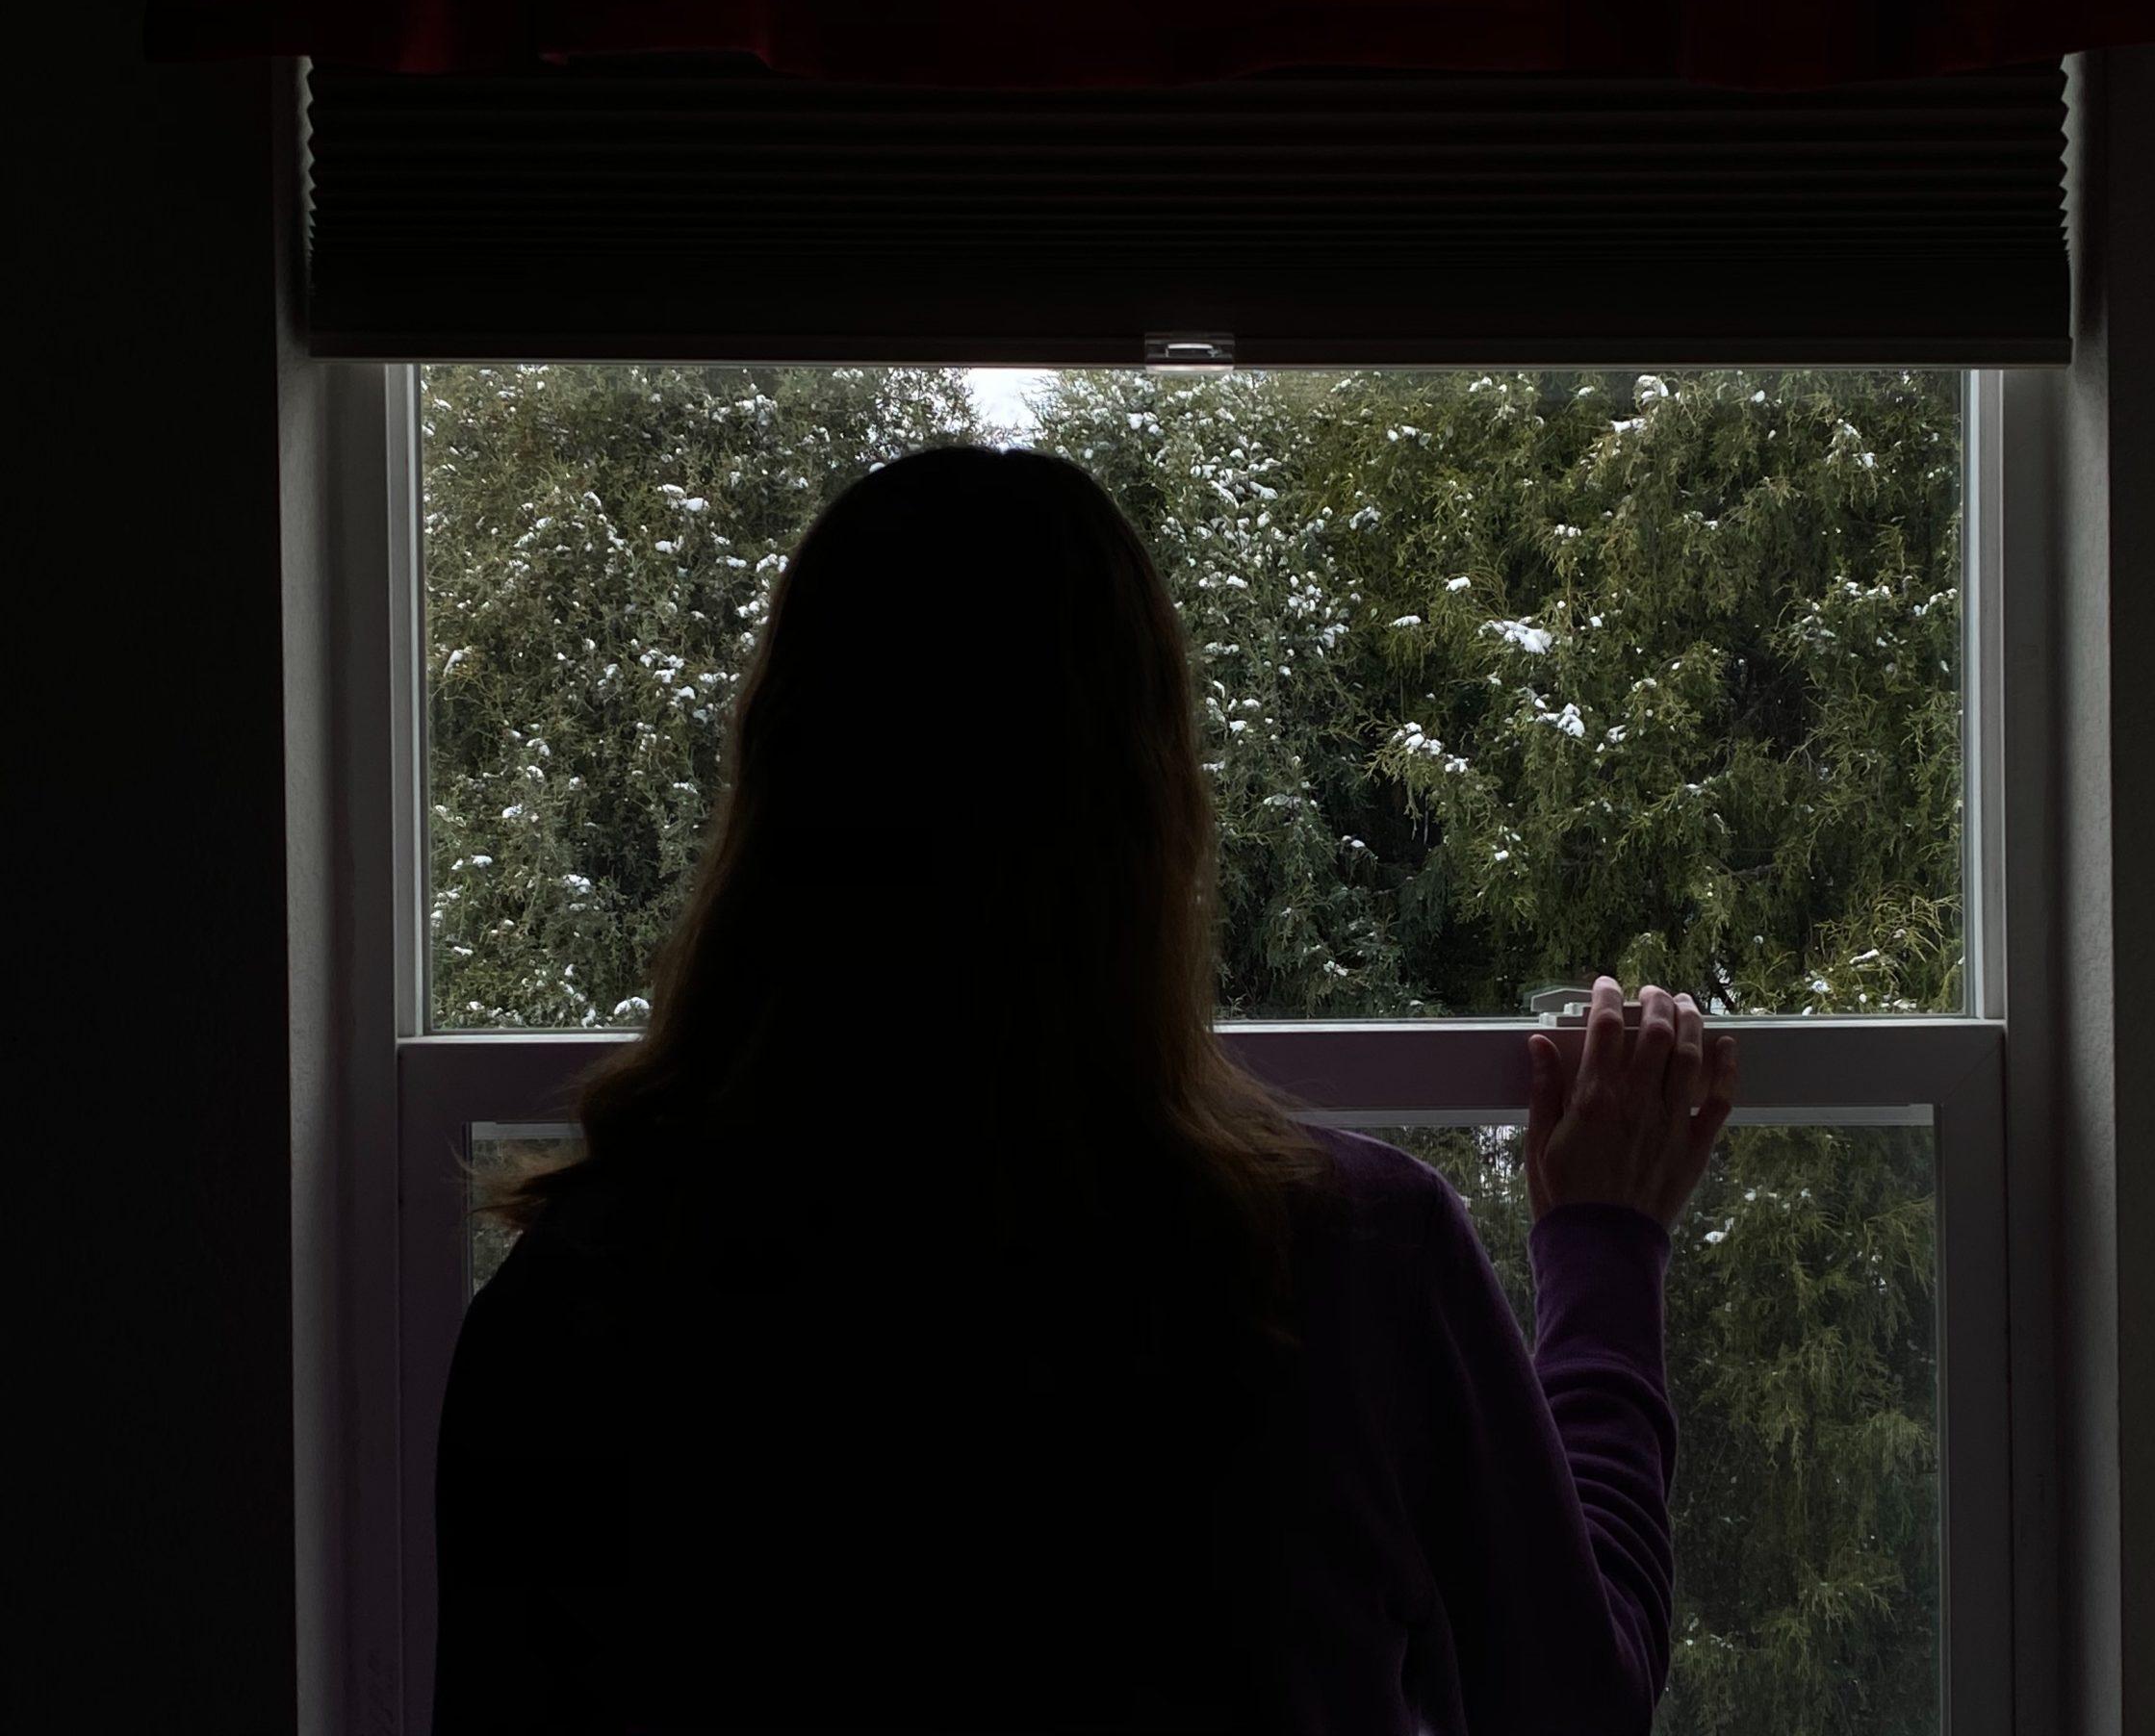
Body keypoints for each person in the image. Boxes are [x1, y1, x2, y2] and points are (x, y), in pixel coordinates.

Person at [431, 446, 1739, 1734]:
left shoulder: (579, 1305)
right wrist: (1604, 1243)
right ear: (1156, 812)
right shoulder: (1342, 1265)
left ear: (775, 795)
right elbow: (1573, 1698)